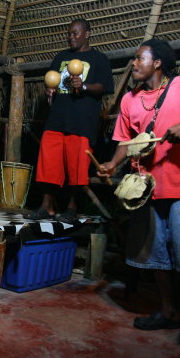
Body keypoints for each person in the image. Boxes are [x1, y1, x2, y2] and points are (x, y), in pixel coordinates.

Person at [97, 39, 180, 348]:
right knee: (157, 256)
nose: (133, 63)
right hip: (145, 189)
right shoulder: (129, 100)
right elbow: (125, 142)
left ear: (157, 63)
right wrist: (112, 164)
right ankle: (168, 310)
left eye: (139, 58)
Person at [26, 18, 114, 223]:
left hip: (82, 122)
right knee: (48, 165)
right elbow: (53, 80)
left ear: (87, 34)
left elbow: (105, 87)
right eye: (69, 34)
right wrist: (50, 90)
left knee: (77, 168)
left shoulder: (98, 58)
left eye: (75, 33)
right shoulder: (61, 57)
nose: (71, 37)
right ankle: (46, 206)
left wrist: (83, 87)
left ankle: (72, 208)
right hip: (57, 120)